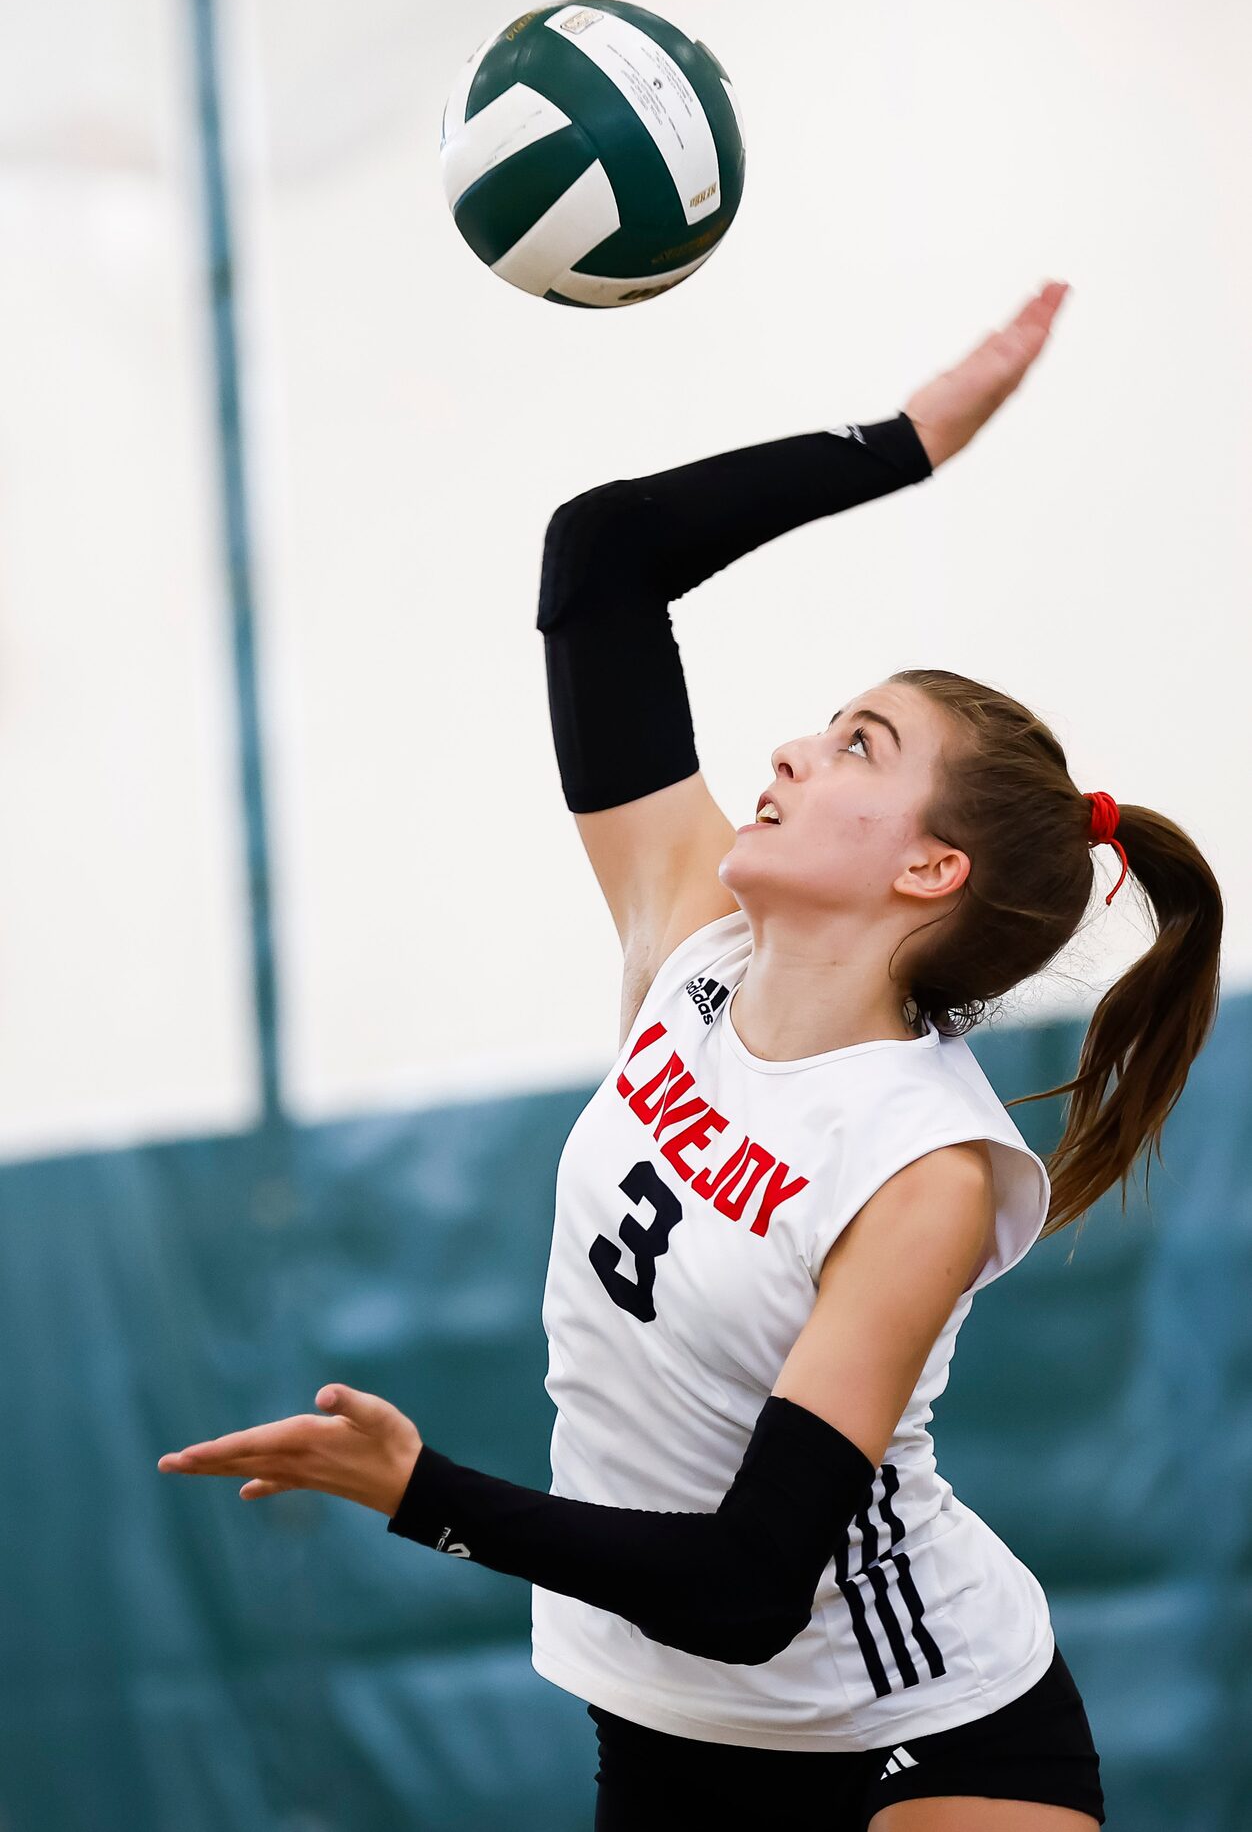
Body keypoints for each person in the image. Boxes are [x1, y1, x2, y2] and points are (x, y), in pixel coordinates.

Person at [158, 282, 1224, 1831]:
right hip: (662, 1724)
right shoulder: (691, 949)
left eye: (858, 744)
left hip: (919, 1723)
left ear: (930, 871)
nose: (791, 749)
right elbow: (601, 560)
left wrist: (420, 1493)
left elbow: (743, 1580)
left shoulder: (918, 1162)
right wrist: (905, 440)